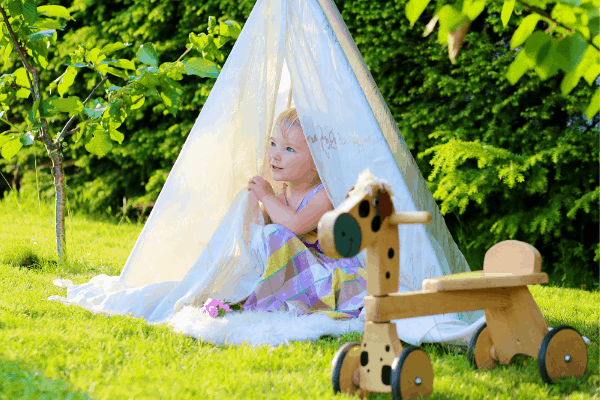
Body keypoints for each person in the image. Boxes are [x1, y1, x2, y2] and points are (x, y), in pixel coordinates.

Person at [243, 107, 366, 318]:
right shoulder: (280, 194)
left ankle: (299, 300)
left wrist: (266, 197)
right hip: (298, 272)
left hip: (324, 271)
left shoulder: (324, 195)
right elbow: (260, 232)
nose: (275, 155)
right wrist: (255, 204)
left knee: (275, 234)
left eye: (289, 149)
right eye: (273, 144)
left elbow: (295, 225)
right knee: (264, 236)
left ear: (319, 162)